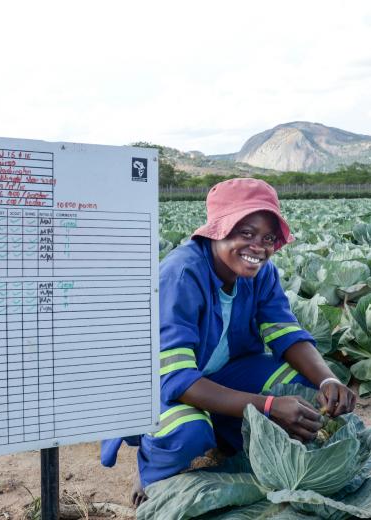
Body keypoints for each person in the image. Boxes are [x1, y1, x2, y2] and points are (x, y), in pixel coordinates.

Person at [101, 177, 356, 505]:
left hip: (220, 374)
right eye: (246, 233)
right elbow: (178, 379)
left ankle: (227, 433)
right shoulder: (182, 275)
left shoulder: (261, 273)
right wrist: (267, 406)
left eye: (268, 238)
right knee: (188, 433)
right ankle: (153, 472)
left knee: (300, 385)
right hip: (156, 386)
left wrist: (328, 378)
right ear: (217, 230)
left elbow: (285, 332)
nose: (259, 247)